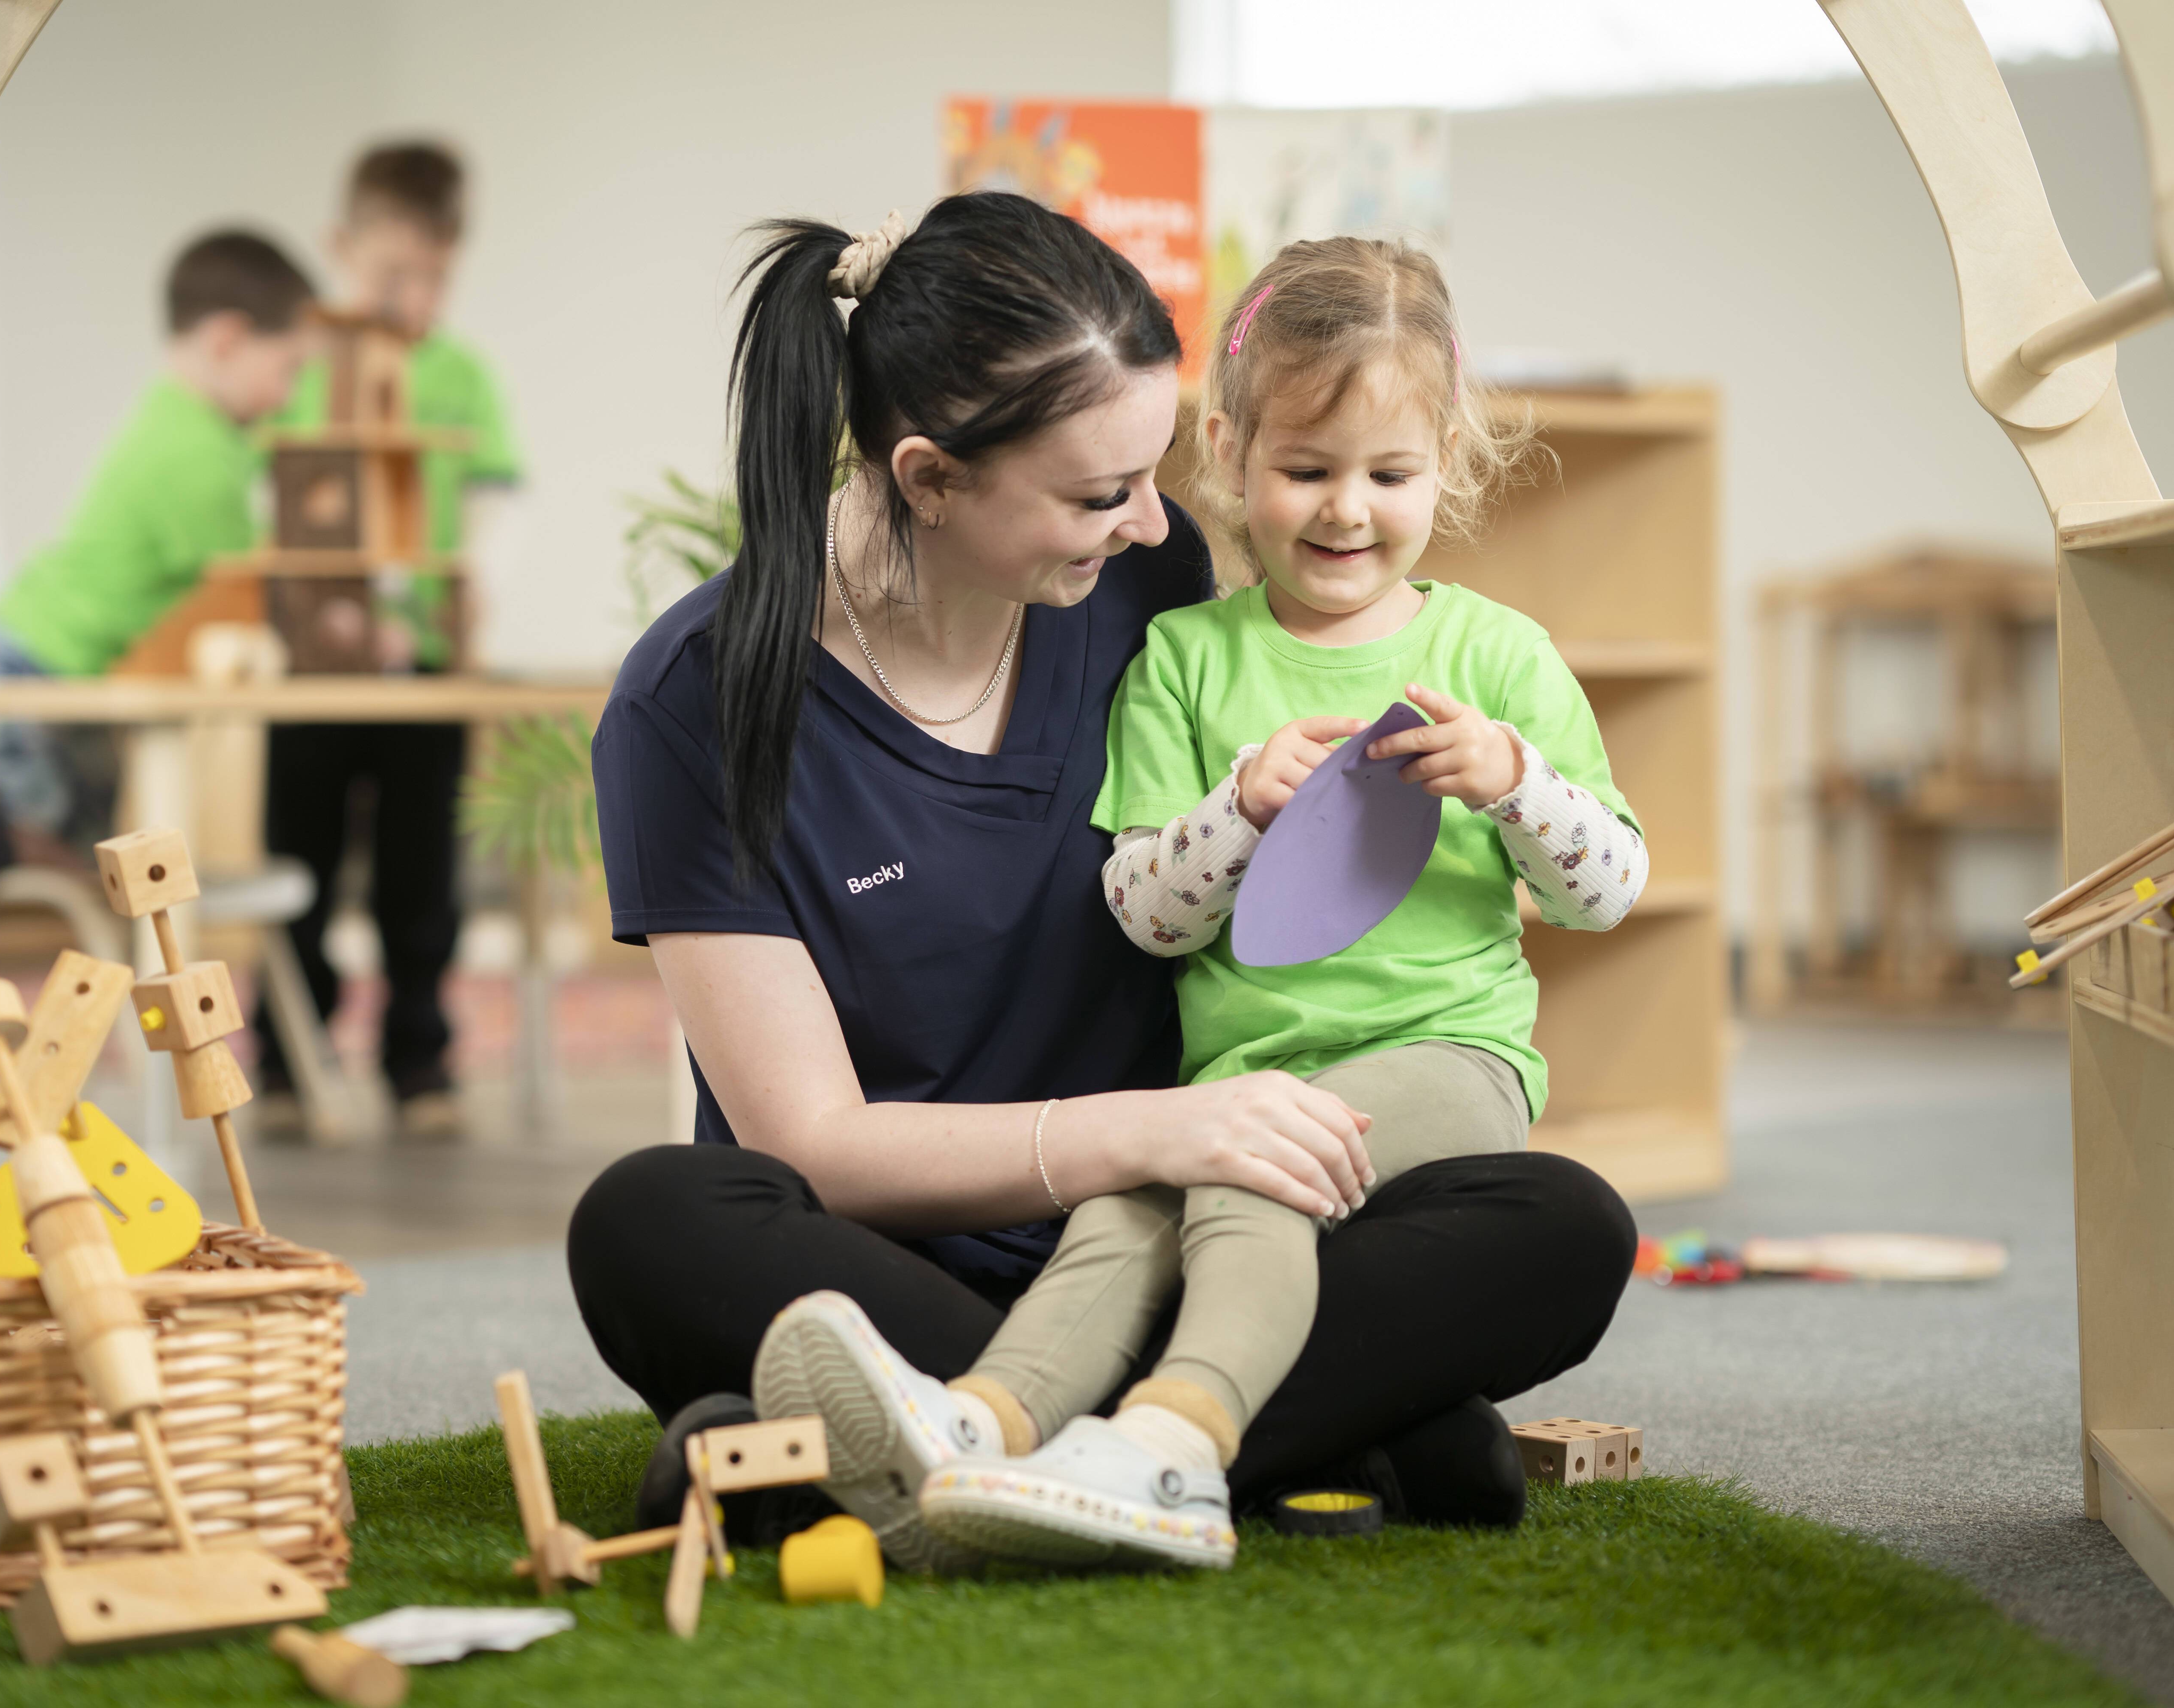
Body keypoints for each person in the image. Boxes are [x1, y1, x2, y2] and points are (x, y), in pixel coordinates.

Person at [571, 193, 1637, 1577]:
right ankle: (1267, 1438)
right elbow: (817, 1146)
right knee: (650, 1223)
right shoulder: (697, 703)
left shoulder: (1147, 595)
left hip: (1195, 1233)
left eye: (1152, 475)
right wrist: (1151, 1137)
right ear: (930, 476)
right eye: (1097, 494)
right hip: (907, 1260)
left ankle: (924, 1454)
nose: (1152, 528)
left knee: (1561, 1230)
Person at [254, 141, 523, 1136]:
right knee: (301, 863)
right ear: (341, 250)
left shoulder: (460, 374)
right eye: (390, 274)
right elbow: (263, 488)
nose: (412, 297)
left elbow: (496, 501)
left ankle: (421, 1063)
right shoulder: (302, 367)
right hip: (312, 672)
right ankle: (286, 1057)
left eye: (434, 278)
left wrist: (476, 606)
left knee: (423, 876)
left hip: (422, 666)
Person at [0, 231, 314, 853]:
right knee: (53, 846)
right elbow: (244, 581)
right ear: (227, 341)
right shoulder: (197, 452)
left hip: (48, 661)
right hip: (32, 671)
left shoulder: (190, 423)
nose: (290, 395)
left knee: (88, 842)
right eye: (289, 369)